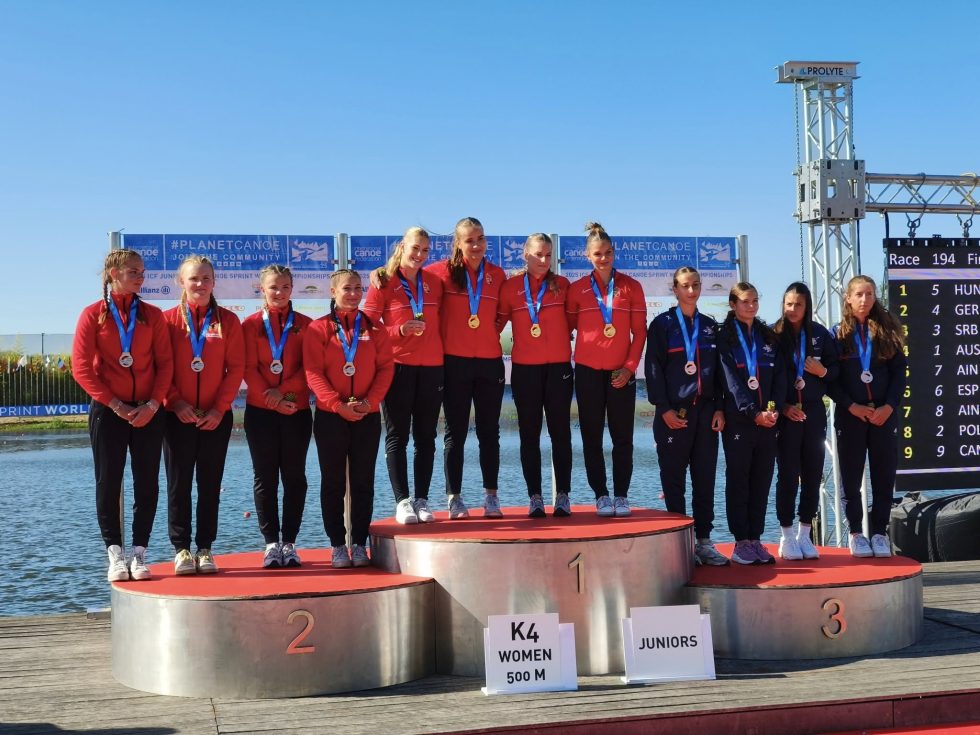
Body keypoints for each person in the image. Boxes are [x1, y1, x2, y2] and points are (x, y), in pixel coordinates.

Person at [72, 249, 173, 582]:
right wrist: (116, 405)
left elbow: (165, 364)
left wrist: (153, 404)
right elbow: (82, 369)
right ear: (113, 273)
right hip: (108, 410)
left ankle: (140, 553)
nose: (141, 278)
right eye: (134, 272)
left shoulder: (152, 315)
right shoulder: (92, 315)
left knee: (147, 482)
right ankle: (115, 554)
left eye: (142, 272)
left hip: (148, 410)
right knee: (108, 481)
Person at [304, 269, 394, 568]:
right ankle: (336, 545)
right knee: (332, 482)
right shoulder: (318, 329)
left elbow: (385, 369)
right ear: (333, 292)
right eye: (347, 288)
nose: (354, 294)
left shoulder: (375, 328)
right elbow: (313, 372)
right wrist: (336, 404)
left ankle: (358, 543)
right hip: (331, 416)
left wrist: (370, 403)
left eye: (358, 288)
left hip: (367, 414)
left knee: (362, 482)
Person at [162, 255, 245, 575]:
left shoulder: (228, 321)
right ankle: (181, 549)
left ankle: (206, 548)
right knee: (178, 486)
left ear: (214, 282)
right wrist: (175, 402)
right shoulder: (167, 321)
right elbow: (161, 367)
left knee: (210, 486)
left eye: (206, 278)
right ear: (181, 282)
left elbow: (235, 369)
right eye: (193, 278)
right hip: (176, 416)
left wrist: (219, 408)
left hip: (215, 417)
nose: (200, 284)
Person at [645, 266, 728, 564]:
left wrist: (719, 407)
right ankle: (679, 545)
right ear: (675, 289)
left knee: (704, 480)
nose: (691, 291)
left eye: (695, 285)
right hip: (673, 413)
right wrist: (663, 408)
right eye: (685, 286)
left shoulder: (710, 326)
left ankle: (704, 541)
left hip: (705, 413)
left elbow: (719, 372)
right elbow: (653, 369)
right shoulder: (662, 325)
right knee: (674, 483)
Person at [363, 227, 444, 525]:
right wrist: (399, 330)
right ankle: (402, 501)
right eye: (415, 248)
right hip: (397, 366)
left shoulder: (434, 281)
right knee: (397, 436)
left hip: (432, 366)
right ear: (402, 247)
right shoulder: (383, 281)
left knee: (426, 437)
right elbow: (367, 327)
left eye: (425, 250)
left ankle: (422, 499)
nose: (420, 255)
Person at [427, 217, 507, 519]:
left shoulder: (497, 274)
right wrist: (381, 273)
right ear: (458, 243)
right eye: (470, 240)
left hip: (489, 362)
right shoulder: (438, 273)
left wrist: (486, 332)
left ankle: (491, 497)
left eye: (480, 238)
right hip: (454, 363)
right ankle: (454, 498)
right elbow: (405, 277)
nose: (476, 245)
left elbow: (502, 314)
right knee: (455, 433)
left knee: (490, 432)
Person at [566, 222, 646, 517]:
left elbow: (640, 333)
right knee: (592, 438)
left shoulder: (631, 286)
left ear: (614, 252)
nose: (603, 258)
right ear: (587, 255)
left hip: (620, 373)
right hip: (587, 372)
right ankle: (601, 495)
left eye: (608, 252)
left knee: (623, 438)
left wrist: (629, 368)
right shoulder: (576, 289)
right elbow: (566, 328)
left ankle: (621, 495)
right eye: (598, 254)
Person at [828, 275, 906, 558]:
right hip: (852, 415)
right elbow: (831, 380)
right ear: (848, 298)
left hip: (883, 414)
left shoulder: (887, 331)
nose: (864, 299)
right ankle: (856, 534)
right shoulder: (836, 335)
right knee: (850, 477)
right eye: (859, 294)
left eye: (870, 294)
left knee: (883, 475)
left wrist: (889, 406)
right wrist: (851, 406)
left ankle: (880, 533)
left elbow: (899, 374)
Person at [497, 234, 574, 518]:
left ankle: (563, 495)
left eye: (548, 255)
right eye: (538, 254)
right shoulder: (510, 287)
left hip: (559, 368)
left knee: (560, 433)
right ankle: (535, 497)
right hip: (525, 370)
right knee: (529, 435)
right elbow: (495, 324)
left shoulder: (562, 285)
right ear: (525, 255)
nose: (544, 260)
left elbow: (575, 321)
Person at [242, 264, 313, 568]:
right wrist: (271, 399)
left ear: (292, 289)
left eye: (285, 287)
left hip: (296, 410)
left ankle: (291, 543)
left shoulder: (307, 325)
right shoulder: (249, 325)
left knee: (295, 478)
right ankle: (271, 544)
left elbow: (310, 368)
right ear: (262, 289)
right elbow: (247, 368)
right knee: (265, 478)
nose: (279, 292)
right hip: (260, 412)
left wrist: (282, 393)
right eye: (273, 287)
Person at [718, 282, 787, 565]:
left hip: (767, 421)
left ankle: (756, 539)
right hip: (740, 421)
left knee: (761, 481)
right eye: (745, 301)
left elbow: (780, 376)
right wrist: (752, 412)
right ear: (733, 304)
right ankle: (741, 542)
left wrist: (773, 410)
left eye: (755, 301)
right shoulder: (724, 337)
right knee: (739, 481)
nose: (751, 306)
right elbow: (730, 381)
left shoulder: (767, 335)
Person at [773, 282, 838, 561]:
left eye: (798, 304)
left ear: (807, 306)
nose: (792, 309)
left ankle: (804, 534)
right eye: (788, 303)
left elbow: (836, 372)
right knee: (788, 475)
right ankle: (786, 535)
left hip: (813, 411)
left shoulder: (820, 334)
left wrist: (822, 371)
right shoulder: (774, 335)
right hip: (786, 413)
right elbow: (767, 377)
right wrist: (782, 407)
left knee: (813, 473)